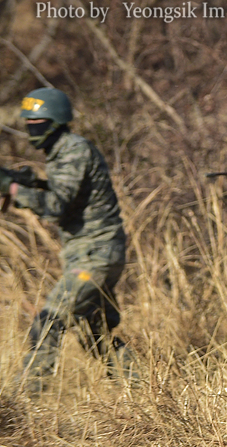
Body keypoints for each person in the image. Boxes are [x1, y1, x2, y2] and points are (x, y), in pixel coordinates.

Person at [0, 87, 136, 393]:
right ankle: (142, 390)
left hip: (96, 255)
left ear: (56, 122)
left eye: (37, 124)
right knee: (94, 333)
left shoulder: (73, 149)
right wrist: (30, 181)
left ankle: (25, 403)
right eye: (28, 125)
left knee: (47, 321)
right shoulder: (61, 151)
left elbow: (58, 205)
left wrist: (14, 191)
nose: (31, 130)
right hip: (93, 253)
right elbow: (68, 193)